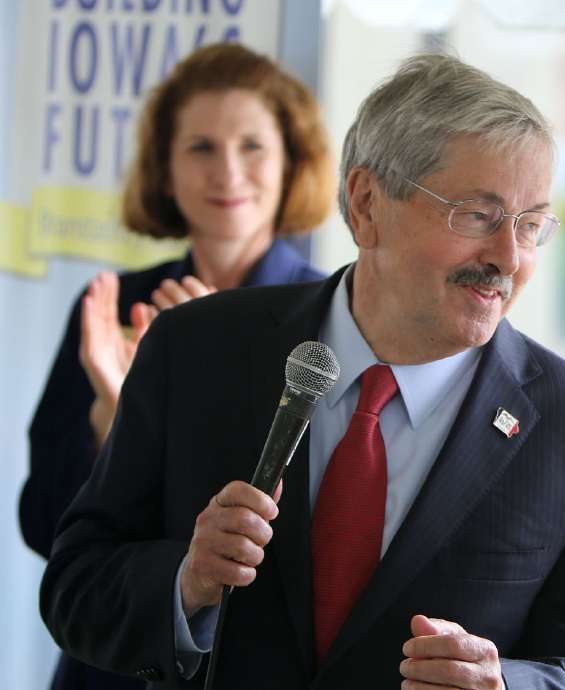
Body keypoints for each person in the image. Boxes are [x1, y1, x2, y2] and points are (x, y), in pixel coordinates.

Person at [40, 53, 565, 689]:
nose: (508, 258)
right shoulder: (193, 350)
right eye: (478, 215)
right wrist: (186, 583)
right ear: (365, 205)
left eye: (529, 226)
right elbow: (74, 588)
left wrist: (506, 687)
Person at [21, 42, 333, 690]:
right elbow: (48, 532)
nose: (227, 171)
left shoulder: (327, 319)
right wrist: (112, 421)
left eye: (252, 146)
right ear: (164, 168)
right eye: (200, 148)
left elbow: (310, 543)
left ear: (291, 164)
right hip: (106, 664)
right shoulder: (111, 309)